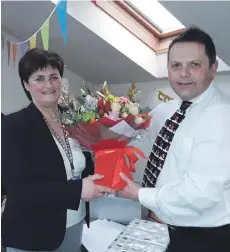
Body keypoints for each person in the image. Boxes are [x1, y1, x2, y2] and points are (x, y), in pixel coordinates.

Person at [118, 27, 230, 252]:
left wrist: (138, 193)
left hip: (204, 236)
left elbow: (200, 194)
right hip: (170, 225)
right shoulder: (169, 109)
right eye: (176, 65)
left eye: (194, 65)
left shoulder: (220, 117)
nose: (184, 73)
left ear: (213, 68)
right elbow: (134, 131)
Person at [2, 48, 113, 252]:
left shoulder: (76, 120)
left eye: (54, 77)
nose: (49, 84)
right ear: (26, 84)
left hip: (75, 223)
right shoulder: (13, 126)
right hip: (32, 233)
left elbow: (79, 165)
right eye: (39, 78)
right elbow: (19, 190)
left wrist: (106, 164)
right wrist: (78, 189)